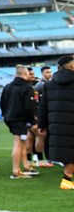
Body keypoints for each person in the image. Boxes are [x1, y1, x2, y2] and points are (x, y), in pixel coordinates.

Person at [38, 55, 74, 190]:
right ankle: (66, 180)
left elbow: (43, 107)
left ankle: (67, 179)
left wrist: (42, 125)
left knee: (66, 150)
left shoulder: (49, 85)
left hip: (56, 123)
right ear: (71, 66)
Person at [0, 65, 38, 179]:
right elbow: (30, 107)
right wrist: (32, 121)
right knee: (18, 143)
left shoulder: (7, 87)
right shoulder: (27, 87)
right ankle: (15, 171)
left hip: (10, 118)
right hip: (20, 120)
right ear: (25, 74)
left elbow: (2, 103)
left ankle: (26, 166)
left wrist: (7, 115)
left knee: (22, 142)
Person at [33, 65, 54, 167]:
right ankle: (40, 159)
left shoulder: (51, 84)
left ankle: (49, 158)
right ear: (42, 73)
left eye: (50, 72)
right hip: (42, 115)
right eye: (47, 72)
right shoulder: (39, 86)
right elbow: (36, 103)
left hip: (50, 115)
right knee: (41, 137)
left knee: (49, 138)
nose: (49, 74)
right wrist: (38, 116)